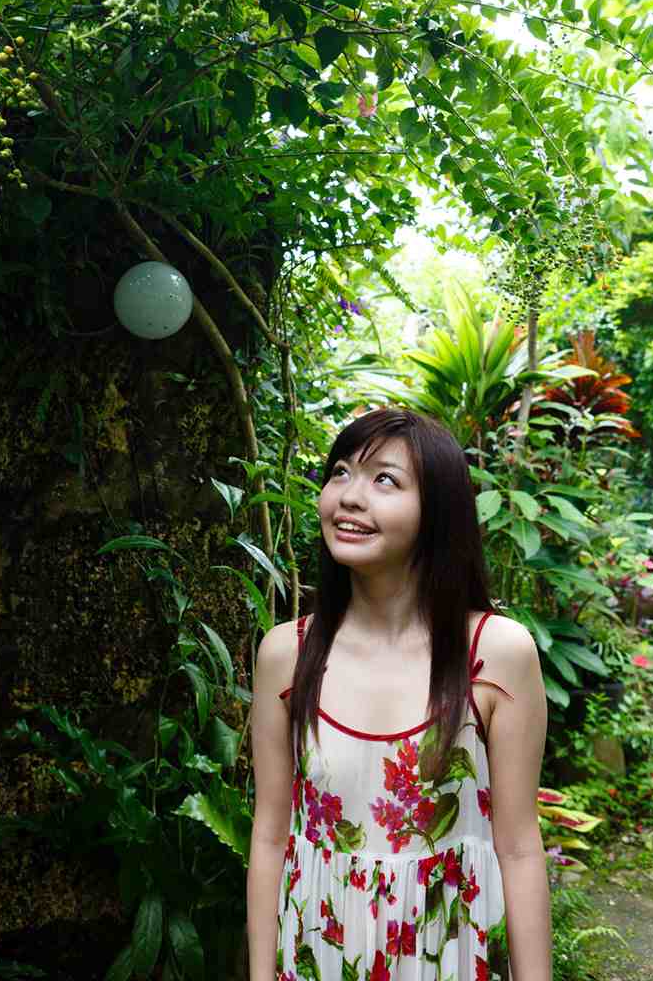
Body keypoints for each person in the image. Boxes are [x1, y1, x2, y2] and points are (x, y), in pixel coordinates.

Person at [247, 407, 551, 981]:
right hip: (318, 957)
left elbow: (518, 848)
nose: (350, 497)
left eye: (384, 479)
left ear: (438, 512)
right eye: (340, 472)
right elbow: (269, 836)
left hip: (446, 959)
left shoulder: (495, 654)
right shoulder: (287, 654)